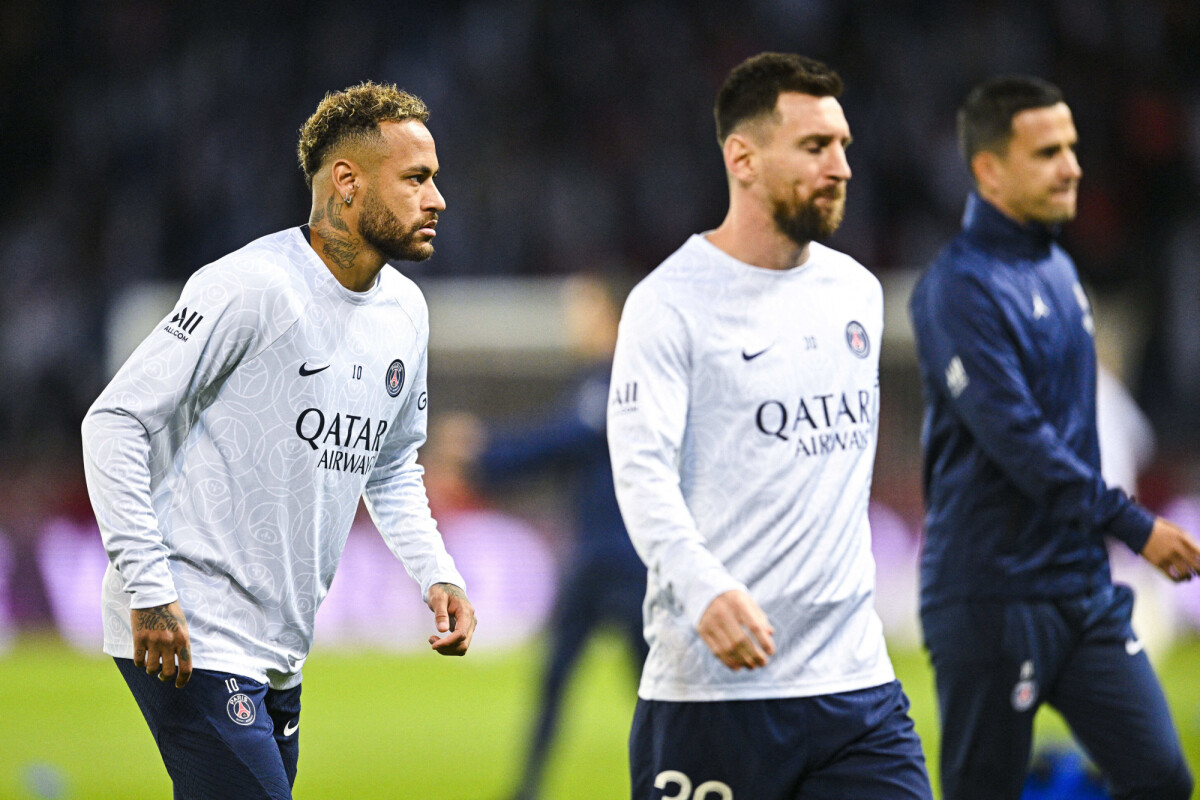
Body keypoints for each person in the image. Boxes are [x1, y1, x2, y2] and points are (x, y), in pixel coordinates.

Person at [80, 81, 477, 799]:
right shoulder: (252, 286)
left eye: (436, 179)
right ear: (348, 183)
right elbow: (115, 421)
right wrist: (149, 588)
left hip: (280, 645)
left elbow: (390, 467)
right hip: (190, 623)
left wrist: (437, 572)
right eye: (417, 178)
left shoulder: (405, 313)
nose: (437, 198)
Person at [607, 52, 932, 800]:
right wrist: (704, 589)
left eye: (844, 145)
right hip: (713, 696)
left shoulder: (857, 293)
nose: (842, 166)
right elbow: (641, 472)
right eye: (817, 147)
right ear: (743, 157)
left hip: (856, 687)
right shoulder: (669, 303)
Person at [909, 75, 1200, 800]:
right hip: (992, 597)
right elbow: (1019, 441)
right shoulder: (958, 289)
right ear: (989, 170)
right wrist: (1135, 527)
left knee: (1162, 778)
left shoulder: (1060, 269)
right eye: (1047, 152)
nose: (1072, 165)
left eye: (1070, 147)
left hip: (1080, 589)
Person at [441, 272, 647, 800]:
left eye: (583, 309)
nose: (572, 322)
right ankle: (527, 790)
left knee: (654, 692)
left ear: (612, 318)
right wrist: (487, 465)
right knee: (557, 680)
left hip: (628, 562)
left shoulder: (621, 380)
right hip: (591, 560)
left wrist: (484, 453)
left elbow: (556, 444)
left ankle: (673, 781)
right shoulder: (589, 381)